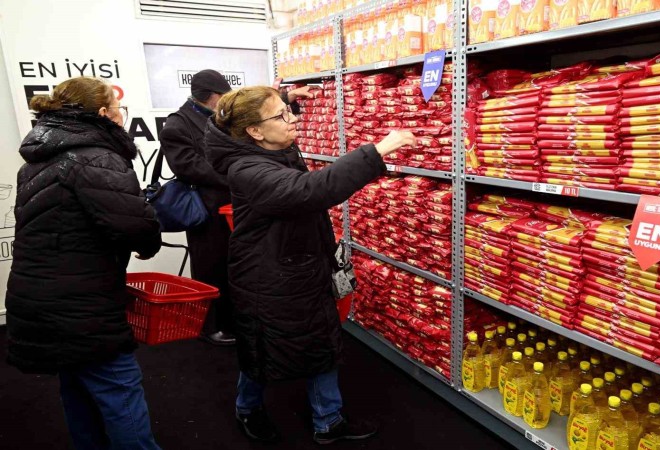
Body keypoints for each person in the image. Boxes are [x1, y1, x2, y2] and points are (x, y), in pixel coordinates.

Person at [204, 86, 415, 445]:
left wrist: (285, 97)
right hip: (266, 275)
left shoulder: (274, 147)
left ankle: (327, 421)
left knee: (320, 342)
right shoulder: (245, 168)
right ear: (254, 131)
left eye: (289, 112)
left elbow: (303, 181)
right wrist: (376, 151)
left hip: (301, 265)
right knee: (262, 347)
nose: (292, 120)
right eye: (281, 115)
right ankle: (247, 408)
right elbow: (310, 190)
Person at [5, 76, 163, 449]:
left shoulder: (38, 159)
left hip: (42, 296)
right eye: (119, 109)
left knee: (77, 385)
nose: (123, 116)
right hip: (81, 305)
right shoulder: (97, 157)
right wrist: (148, 241)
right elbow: (134, 224)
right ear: (104, 113)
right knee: (118, 388)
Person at [159, 70, 311, 345]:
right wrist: (237, 174)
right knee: (211, 266)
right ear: (214, 97)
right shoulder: (177, 124)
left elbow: (254, 117)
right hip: (206, 210)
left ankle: (238, 321)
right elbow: (186, 166)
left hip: (237, 205)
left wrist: (284, 98)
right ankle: (212, 325)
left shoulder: (217, 116)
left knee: (240, 265)